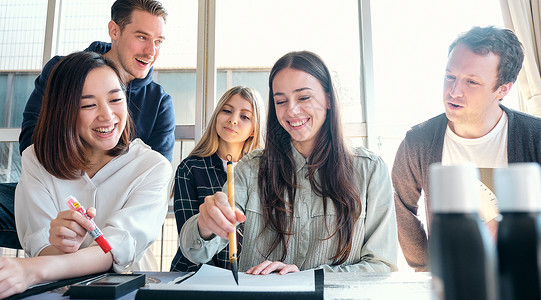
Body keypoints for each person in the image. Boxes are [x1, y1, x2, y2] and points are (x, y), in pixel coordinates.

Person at [179, 51, 397, 274]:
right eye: (281, 101)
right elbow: (196, 252)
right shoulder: (250, 169)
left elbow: (381, 266)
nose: (291, 110)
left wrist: (305, 279)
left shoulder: (370, 170)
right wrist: (204, 226)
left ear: (329, 98)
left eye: (304, 98)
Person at [0, 0, 174, 251]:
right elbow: (33, 140)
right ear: (114, 31)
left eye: (158, 41)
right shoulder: (63, 72)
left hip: (118, 212)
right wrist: (67, 193)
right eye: (142, 37)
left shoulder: (159, 103)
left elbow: (154, 184)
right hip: (55, 191)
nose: (151, 51)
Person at [0, 51, 171, 299]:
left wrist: (31, 270)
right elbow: (39, 247)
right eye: (88, 104)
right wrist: (59, 247)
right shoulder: (37, 160)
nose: (107, 116)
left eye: (115, 99)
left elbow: (116, 249)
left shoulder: (152, 167)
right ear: (63, 110)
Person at [392, 26, 541, 272]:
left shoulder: (535, 137)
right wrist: (426, 267)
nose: (454, 91)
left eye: (471, 82)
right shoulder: (418, 141)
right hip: (451, 281)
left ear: (502, 89)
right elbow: (400, 206)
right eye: (450, 77)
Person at [170, 86, 264, 272]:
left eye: (245, 117)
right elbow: (190, 239)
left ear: (254, 129)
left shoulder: (262, 172)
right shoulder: (190, 168)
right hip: (193, 274)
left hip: (247, 277)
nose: (233, 120)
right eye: (227, 111)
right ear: (216, 117)